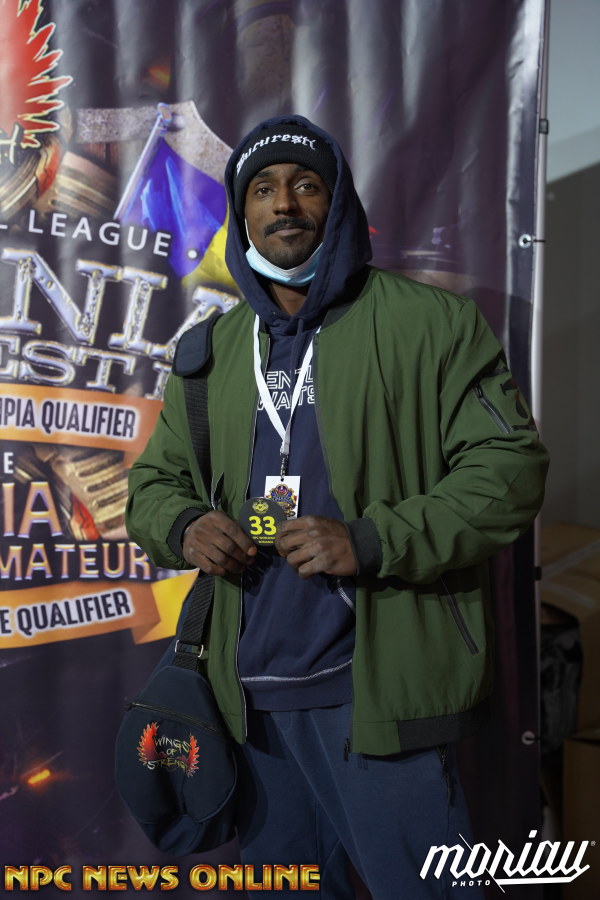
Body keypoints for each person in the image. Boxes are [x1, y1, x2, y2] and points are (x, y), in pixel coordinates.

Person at [126, 114, 549, 898]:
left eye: (305, 185)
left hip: (377, 698)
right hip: (248, 706)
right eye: (262, 189)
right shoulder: (210, 352)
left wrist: (375, 539)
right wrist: (185, 526)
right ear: (242, 214)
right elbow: (153, 486)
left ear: (338, 202)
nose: (284, 203)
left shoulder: (430, 324)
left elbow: (510, 469)